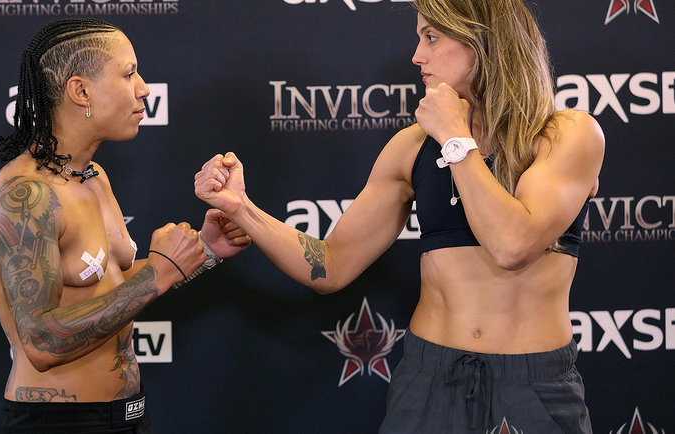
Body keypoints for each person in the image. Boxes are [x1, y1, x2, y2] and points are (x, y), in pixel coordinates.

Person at [194, 0, 604, 432]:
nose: (417, 56)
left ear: (484, 41)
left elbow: (512, 246)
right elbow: (331, 265)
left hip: (533, 382)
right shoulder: (412, 147)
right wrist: (241, 208)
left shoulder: (566, 134)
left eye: (432, 37)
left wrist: (455, 138)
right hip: (431, 380)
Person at [0, 18, 250, 433]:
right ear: (81, 91)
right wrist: (159, 273)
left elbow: (106, 285)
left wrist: (203, 251)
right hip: (57, 423)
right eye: (128, 74)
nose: (144, 89)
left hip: (128, 415)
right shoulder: (26, 197)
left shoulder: (93, 176)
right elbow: (42, 343)